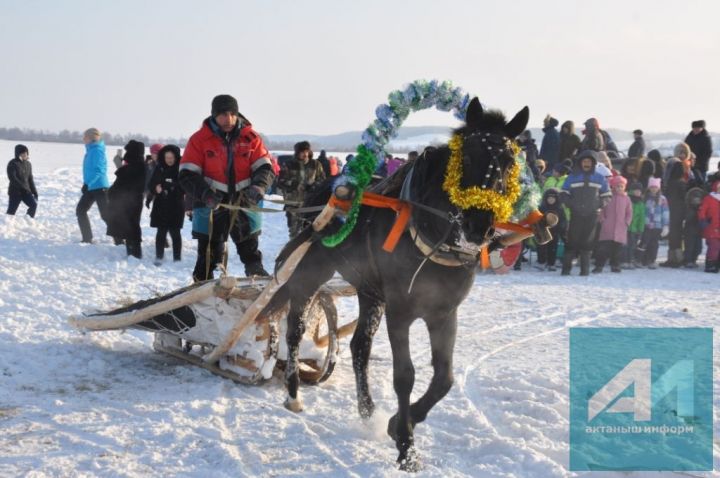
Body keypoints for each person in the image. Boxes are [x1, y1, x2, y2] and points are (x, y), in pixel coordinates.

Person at [179, 94, 275, 281]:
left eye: (232, 114)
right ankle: (202, 289)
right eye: (223, 114)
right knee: (208, 256)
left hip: (244, 203)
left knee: (251, 254)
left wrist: (259, 186)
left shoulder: (251, 138)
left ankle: (258, 289)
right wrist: (205, 194)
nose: (228, 119)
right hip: (211, 204)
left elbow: (265, 168)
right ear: (214, 115)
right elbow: (187, 175)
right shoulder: (199, 140)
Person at [560, 150, 610, 275]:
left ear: (593, 163)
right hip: (576, 214)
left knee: (587, 243)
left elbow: (607, 195)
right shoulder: (572, 177)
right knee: (572, 242)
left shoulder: (599, 178)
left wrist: (599, 204)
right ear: (580, 163)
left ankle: (585, 271)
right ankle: (566, 270)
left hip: (592, 215)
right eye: (584, 161)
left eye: (589, 161)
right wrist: (570, 204)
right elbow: (564, 193)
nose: (586, 163)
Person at [277, 141, 326, 238]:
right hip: (293, 203)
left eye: (307, 151)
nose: (305, 154)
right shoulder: (288, 164)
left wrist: (314, 186)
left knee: (310, 231)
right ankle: (293, 250)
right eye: (302, 152)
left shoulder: (315, 164)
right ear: (297, 152)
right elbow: (280, 182)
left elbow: (323, 181)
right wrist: (295, 184)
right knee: (294, 232)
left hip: (310, 204)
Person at [106, 140, 146, 258]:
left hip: (131, 201)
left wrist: (121, 167)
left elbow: (124, 181)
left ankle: (135, 254)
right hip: (131, 201)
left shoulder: (135, 166)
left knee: (132, 227)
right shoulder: (137, 164)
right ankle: (132, 253)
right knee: (130, 227)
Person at [146, 145, 185, 264]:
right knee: (161, 232)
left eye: (171, 157)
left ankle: (177, 258)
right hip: (161, 204)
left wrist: (172, 185)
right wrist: (155, 189)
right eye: (167, 157)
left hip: (176, 205)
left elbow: (184, 186)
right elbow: (151, 184)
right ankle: (159, 256)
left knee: (175, 232)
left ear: (176, 157)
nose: (169, 160)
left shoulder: (181, 168)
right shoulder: (159, 167)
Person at [76, 128, 110, 243]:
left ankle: (120, 240)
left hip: (100, 187)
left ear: (91, 138)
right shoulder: (91, 150)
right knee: (81, 210)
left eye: (85, 137)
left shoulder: (97, 151)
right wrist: (87, 184)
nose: (83, 139)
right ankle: (87, 238)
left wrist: (87, 184)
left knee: (106, 215)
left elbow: (99, 171)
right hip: (91, 187)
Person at [593, 175, 632, 273]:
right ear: (613, 186)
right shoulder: (609, 197)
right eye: (617, 186)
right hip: (608, 227)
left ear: (624, 187)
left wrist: (626, 222)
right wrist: (602, 220)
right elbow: (602, 209)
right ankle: (599, 265)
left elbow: (629, 212)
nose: (619, 188)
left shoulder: (626, 199)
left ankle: (615, 265)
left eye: (621, 186)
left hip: (620, 228)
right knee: (603, 249)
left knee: (617, 250)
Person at [660, 160, 688, 267]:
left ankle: (673, 258)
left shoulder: (669, 183)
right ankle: (677, 257)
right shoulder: (682, 183)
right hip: (679, 212)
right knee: (677, 235)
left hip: (671, 211)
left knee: (673, 236)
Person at [639, 177, 669, 269]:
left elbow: (665, 212)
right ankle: (641, 259)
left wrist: (666, 225)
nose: (653, 189)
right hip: (646, 224)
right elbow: (641, 211)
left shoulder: (662, 199)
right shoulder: (644, 198)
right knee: (644, 242)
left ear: (658, 188)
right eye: (652, 187)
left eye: (655, 187)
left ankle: (651, 260)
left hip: (657, 225)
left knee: (654, 243)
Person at [536, 188, 566, 271]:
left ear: (556, 199)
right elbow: (537, 218)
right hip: (543, 230)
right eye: (549, 198)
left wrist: (561, 228)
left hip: (555, 231)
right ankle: (541, 262)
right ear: (546, 199)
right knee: (541, 247)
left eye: (553, 198)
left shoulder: (559, 208)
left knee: (553, 247)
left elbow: (563, 220)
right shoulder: (542, 207)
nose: (551, 200)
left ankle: (551, 263)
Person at [6, 144, 38, 218]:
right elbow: (12, 178)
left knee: (33, 205)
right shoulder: (12, 163)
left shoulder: (28, 164)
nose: (24, 155)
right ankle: (6, 225)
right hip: (15, 192)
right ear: (18, 154)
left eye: (26, 153)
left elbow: (30, 179)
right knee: (11, 212)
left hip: (26, 192)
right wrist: (23, 187)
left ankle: (27, 221)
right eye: (22, 153)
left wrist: (34, 192)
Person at [698, 180, 720, 272]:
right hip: (711, 226)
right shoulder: (709, 198)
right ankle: (710, 264)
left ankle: (716, 264)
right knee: (714, 246)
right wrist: (703, 219)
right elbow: (702, 210)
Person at [623, 182, 645, 269]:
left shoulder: (641, 203)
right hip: (626, 227)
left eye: (639, 191)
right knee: (624, 245)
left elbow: (642, 217)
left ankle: (630, 260)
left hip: (635, 229)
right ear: (631, 191)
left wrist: (640, 229)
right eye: (636, 191)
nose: (638, 192)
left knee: (632, 245)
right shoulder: (627, 200)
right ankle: (624, 261)